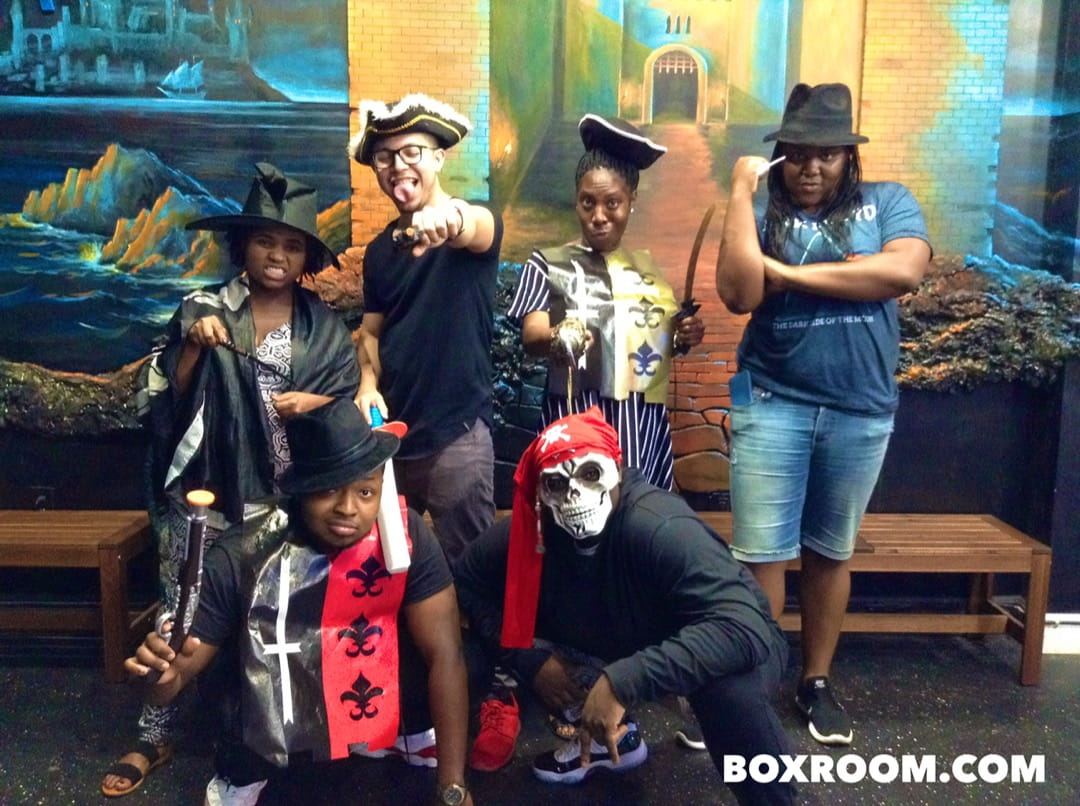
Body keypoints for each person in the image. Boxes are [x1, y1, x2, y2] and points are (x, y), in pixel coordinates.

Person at [102, 163, 360, 797]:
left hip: (283, 504)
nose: (277, 255)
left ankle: (265, 738)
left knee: (271, 625)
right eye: (265, 240)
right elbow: (163, 397)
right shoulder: (205, 307)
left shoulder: (324, 328)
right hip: (206, 496)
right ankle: (154, 732)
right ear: (242, 245)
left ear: (306, 258)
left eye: (292, 245)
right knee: (182, 612)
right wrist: (194, 344)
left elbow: (347, 414)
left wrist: (315, 405)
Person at [715, 83, 931, 746]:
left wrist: (787, 275)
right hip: (770, 401)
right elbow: (739, 292)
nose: (811, 168)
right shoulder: (760, 208)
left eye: (828, 155)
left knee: (829, 553)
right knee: (760, 556)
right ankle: (746, 691)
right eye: (799, 154)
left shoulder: (888, 202)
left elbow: (901, 273)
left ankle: (814, 682)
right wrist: (739, 193)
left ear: (849, 156)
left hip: (859, 409)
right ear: (780, 154)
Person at [123, 398, 474, 806]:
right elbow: (176, 676)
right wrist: (158, 678)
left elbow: (445, 654)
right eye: (328, 489)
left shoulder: (406, 534)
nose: (348, 509)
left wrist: (453, 788)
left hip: (363, 673)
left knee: (470, 659)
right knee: (228, 675)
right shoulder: (242, 550)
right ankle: (243, 770)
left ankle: (392, 732)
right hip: (281, 693)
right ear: (302, 489)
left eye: (365, 491)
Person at [453, 408, 795, 806]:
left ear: (616, 470)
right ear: (542, 493)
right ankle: (606, 737)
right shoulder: (535, 525)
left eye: (589, 474)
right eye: (557, 484)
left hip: (702, 640)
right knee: (465, 649)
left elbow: (744, 627)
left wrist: (625, 680)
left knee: (730, 692)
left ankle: (770, 798)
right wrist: (526, 657)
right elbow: (465, 583)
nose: (574, 496)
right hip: (608, 634)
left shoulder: (660, 526)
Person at [508, 114, 705, 492]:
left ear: (632, 201)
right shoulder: (547, 264)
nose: (598, 216)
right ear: (576, 201)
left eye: (612, 202)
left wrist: (681, 336)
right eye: (588, 202)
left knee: (638, 512)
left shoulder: (647, 272)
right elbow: (532, 336)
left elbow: (659, 343)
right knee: (578, 510)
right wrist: (560, 337)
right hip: (575, 420)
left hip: (640, 423)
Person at [349, 93, 502, 561]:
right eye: (384, 157)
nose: (398, 166)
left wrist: (449, 220)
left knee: (470, 568)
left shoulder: (472, 221)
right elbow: (371, 332)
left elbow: (475, 226)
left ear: (438, 157)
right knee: (395, 569)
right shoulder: (379, 253)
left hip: (457, 435)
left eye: (412, 151)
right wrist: (367, 384)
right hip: (393, 440)